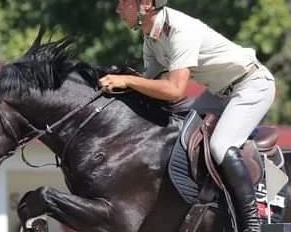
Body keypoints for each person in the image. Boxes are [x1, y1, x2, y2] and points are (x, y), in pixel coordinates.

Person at [99, 0, 275, 231]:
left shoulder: (180, 30)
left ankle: (252, 224)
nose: (118, 9)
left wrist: (127, 80)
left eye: (124, 2)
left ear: (145, 4)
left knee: (220, 146)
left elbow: (174, 90)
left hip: (252, 86)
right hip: (220, 93)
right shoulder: (151, 36)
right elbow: (150, 84)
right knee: (181, 136)